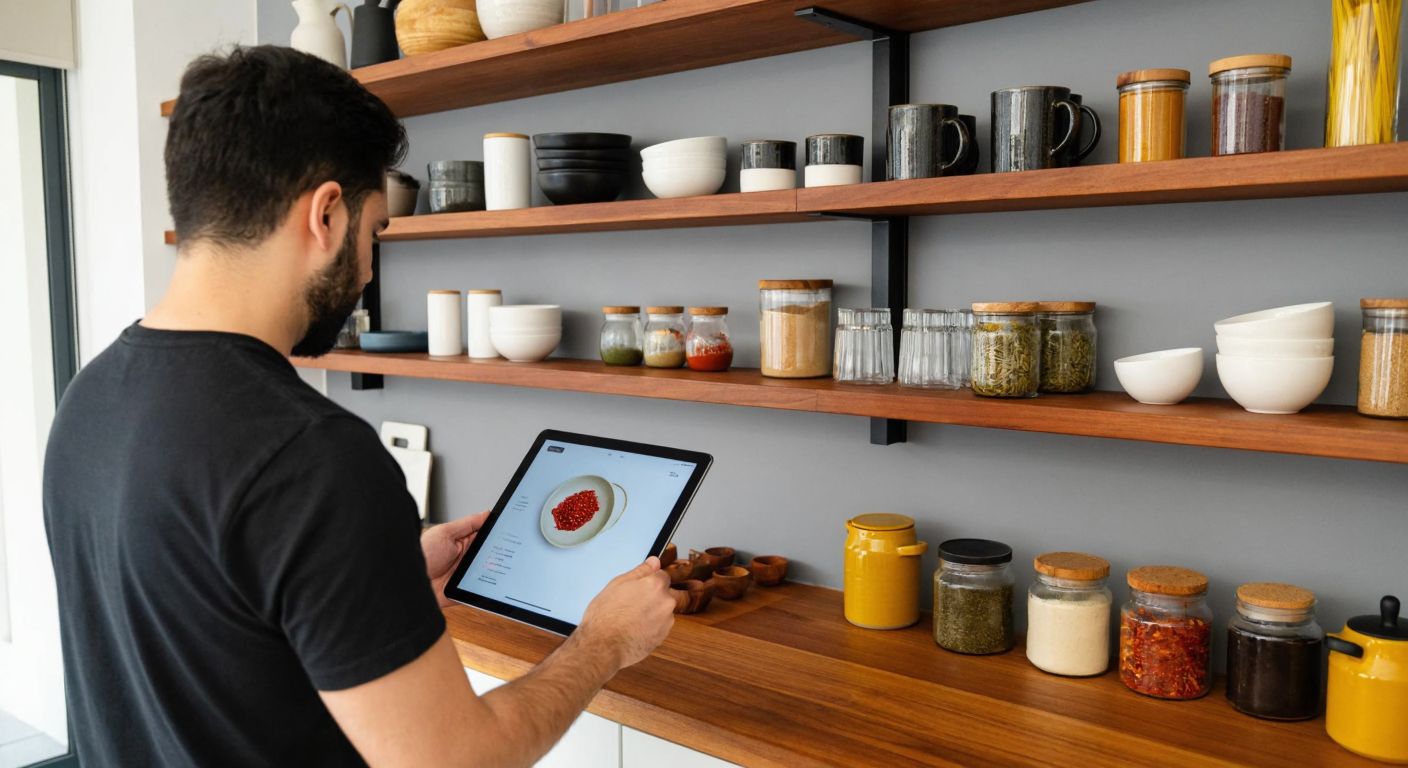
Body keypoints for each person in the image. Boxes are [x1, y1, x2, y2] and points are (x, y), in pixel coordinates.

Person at [42, 45, 675, 767]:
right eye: (376, 233)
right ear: (326, 215)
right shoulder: (314, 456)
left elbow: (202, 626)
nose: (370, 269)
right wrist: (603, 643)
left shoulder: (91, 396)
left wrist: (376, 581)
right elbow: (458, 761)